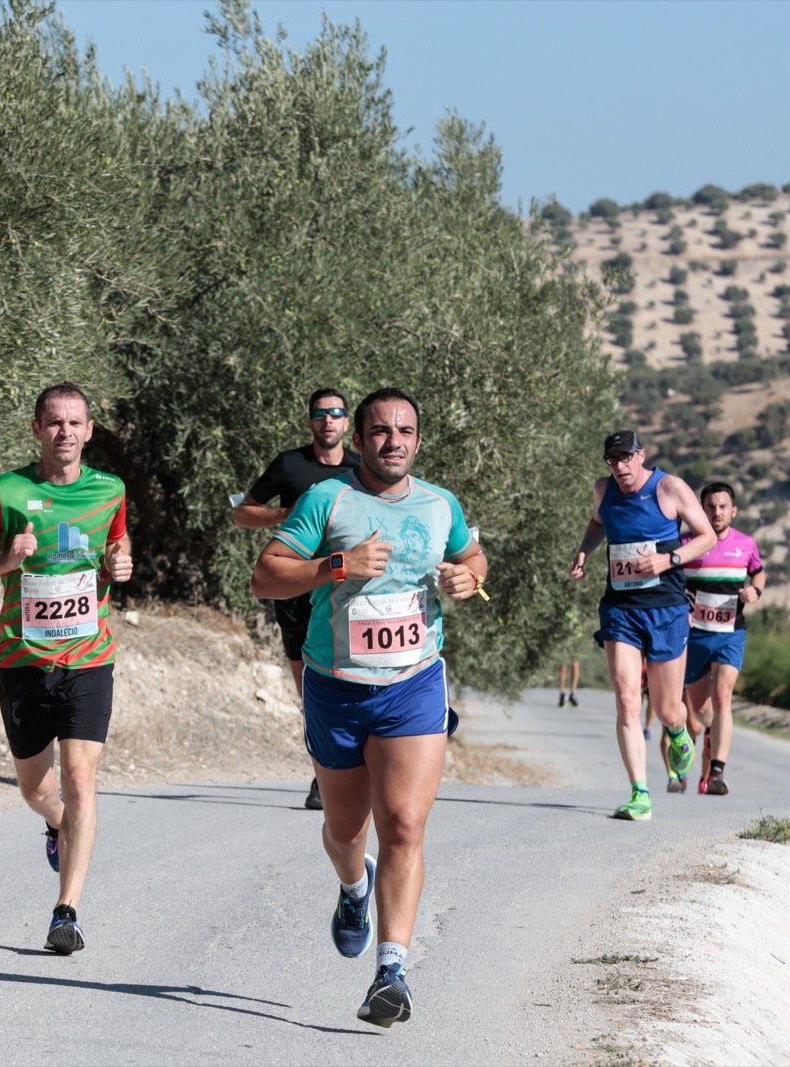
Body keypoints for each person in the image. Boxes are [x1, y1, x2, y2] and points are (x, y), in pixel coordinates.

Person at [252, 387, 487, 1029]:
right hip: (336, 685)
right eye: (379, 431)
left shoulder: (441, 505)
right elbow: (266, 575)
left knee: (405, 825)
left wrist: (471, 578)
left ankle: (391, 972)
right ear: (359, 441)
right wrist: (337, 565)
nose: (393, 441)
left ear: (418, 440)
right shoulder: (327, 500)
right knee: (346, 832)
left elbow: (470, 556)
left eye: (405, 431)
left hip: (415, 682)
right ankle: (354, 889)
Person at [0, 383, 132, 955]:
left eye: (75, 423)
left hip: (89, 657)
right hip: (22, 660)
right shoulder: (5, 492)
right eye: (54, 423)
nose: (65, 433)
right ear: (36, 429)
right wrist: (5, 559)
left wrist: (120, 565)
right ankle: (55, 824)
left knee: (81, 779)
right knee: (35, 789)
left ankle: (65, 911)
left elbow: (116, 549)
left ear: (90, 431)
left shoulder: (111, 490)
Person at [569, 429, 715, 821]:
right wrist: (584, 551)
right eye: (612, 460)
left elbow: (707, 536)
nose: (619, 467)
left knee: (668, 710)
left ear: (641, 456)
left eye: (625, 457)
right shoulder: (604, 490)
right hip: (621, 608)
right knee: (627, 698)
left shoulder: (669, 488)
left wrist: (670, 561)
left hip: (665, 608)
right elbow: (598, 522)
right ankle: (640, 792)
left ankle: (679, 732)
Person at [234, 389, 361, 811]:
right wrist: (281, 516)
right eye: (320, 414)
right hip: (298, 591)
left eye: (337, 413)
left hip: (349, 593)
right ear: (310, 422)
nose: (328, 420)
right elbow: (242, 512)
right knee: (311, 692)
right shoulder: (290, 464)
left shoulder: (363, 469)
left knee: (357, 680)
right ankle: (324, 776)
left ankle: (354, 769)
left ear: (347, 423)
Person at [667, 481, 767, 797]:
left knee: (723, 694)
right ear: (701, 510)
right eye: (710, 507)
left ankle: (717, 774)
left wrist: (755, 590)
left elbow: (759, 572)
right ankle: (710, 730)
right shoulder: (686, 543)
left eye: (723, 506)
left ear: (733, 511)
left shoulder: (745, 543)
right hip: (694, 635)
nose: (717, 512)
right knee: (698, 712)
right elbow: (669, 577)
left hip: (730, 633)